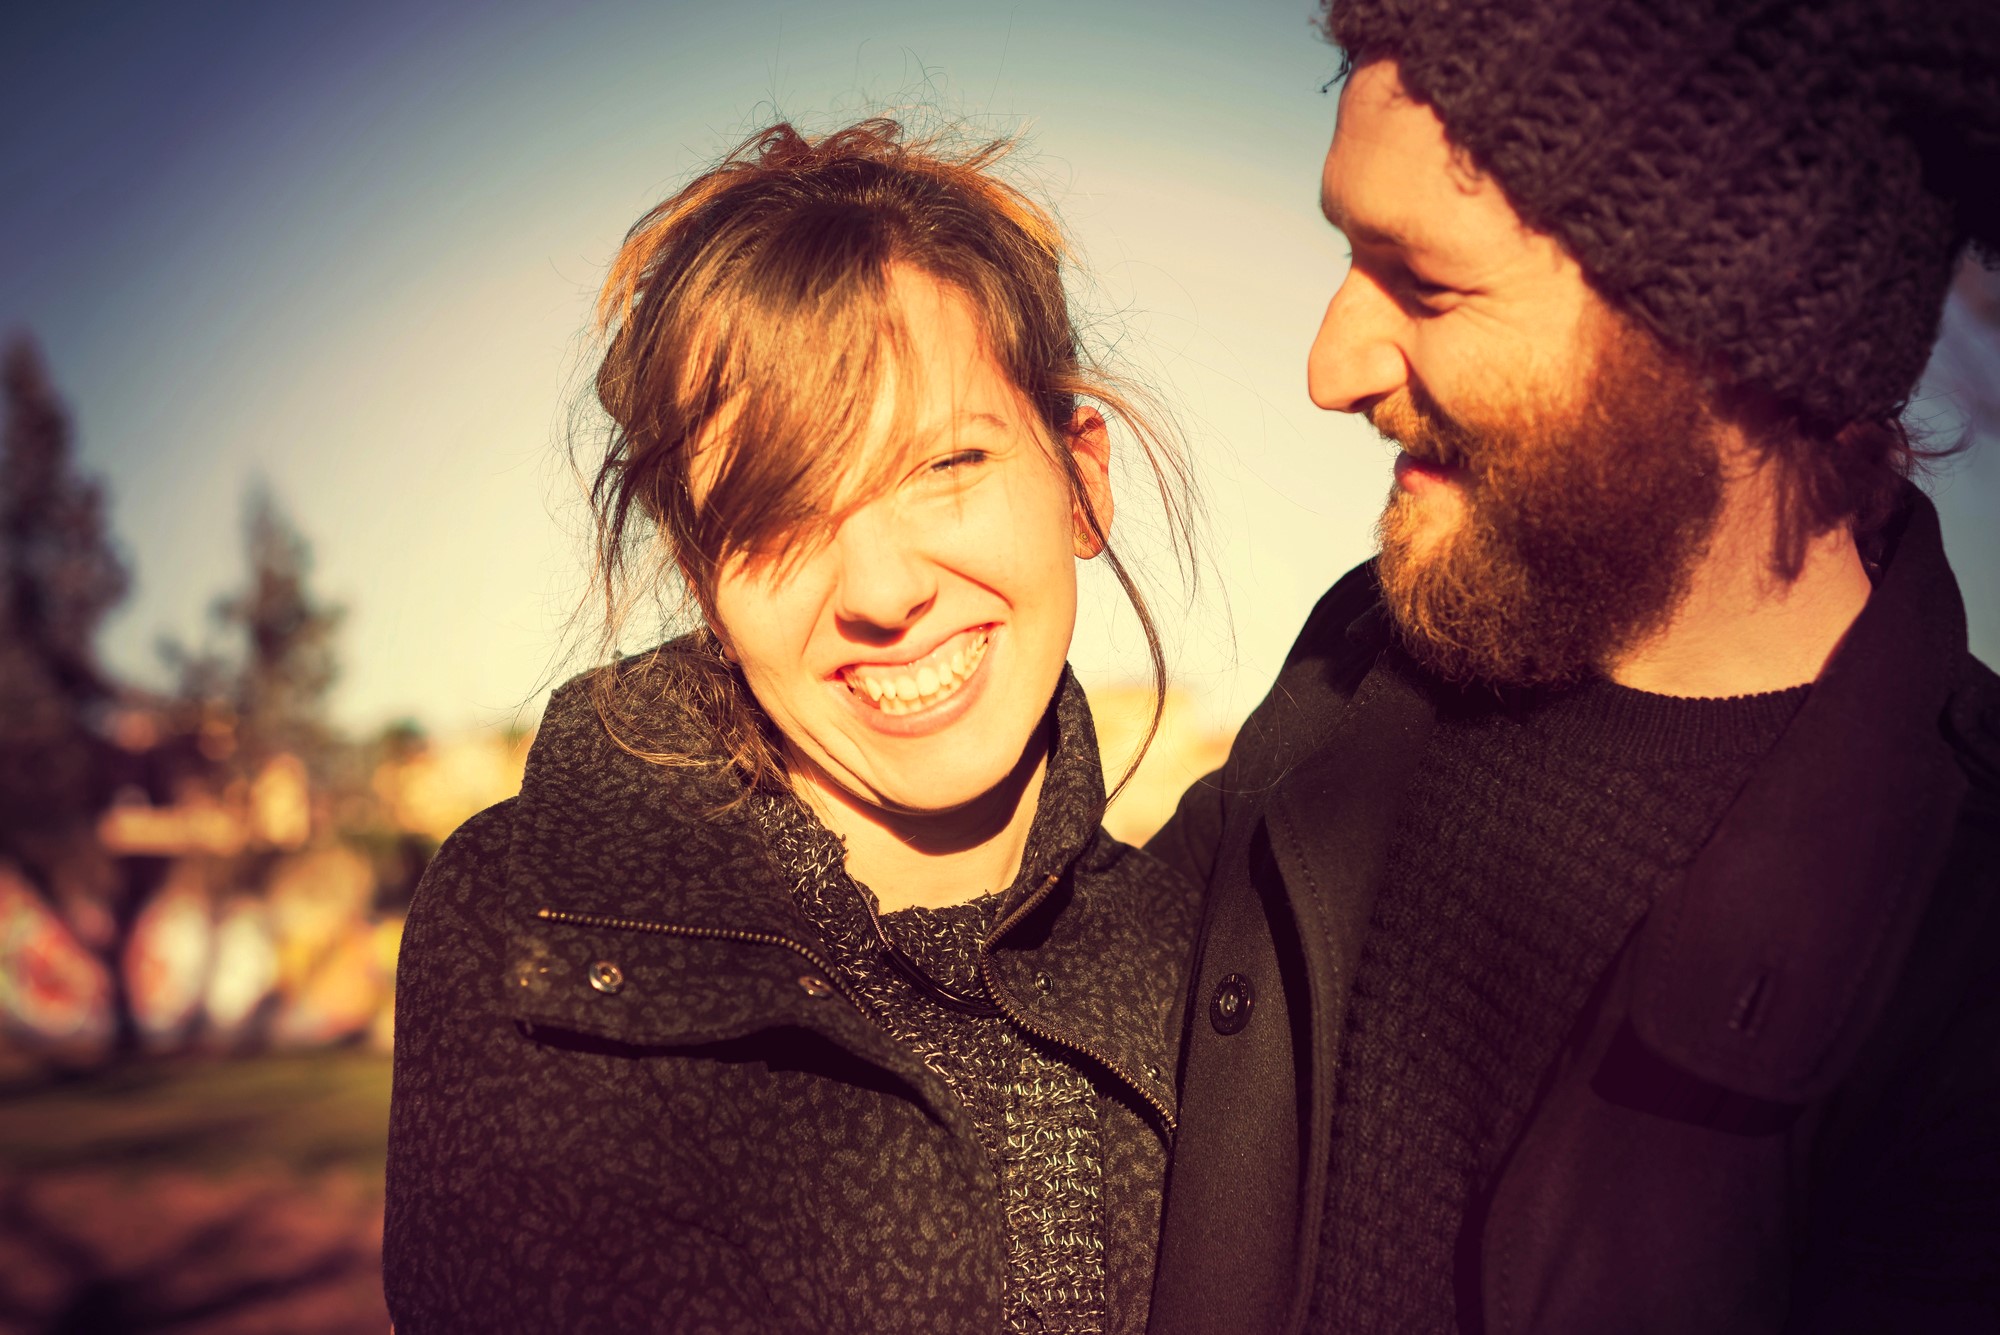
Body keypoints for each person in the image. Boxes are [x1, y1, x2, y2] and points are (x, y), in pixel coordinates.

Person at [1148, 2, 2000, 1332]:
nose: (1328, 368)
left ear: (1738, 333)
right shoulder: (1352, 673)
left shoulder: (1958, 960)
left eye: (1424, 283)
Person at [383, 118, 1200, 1333]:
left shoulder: (1228, 954)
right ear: (699, 567)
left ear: (1081, 475)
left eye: (944, 464)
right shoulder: (526, 928)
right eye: (778, 514)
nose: (879, 592)